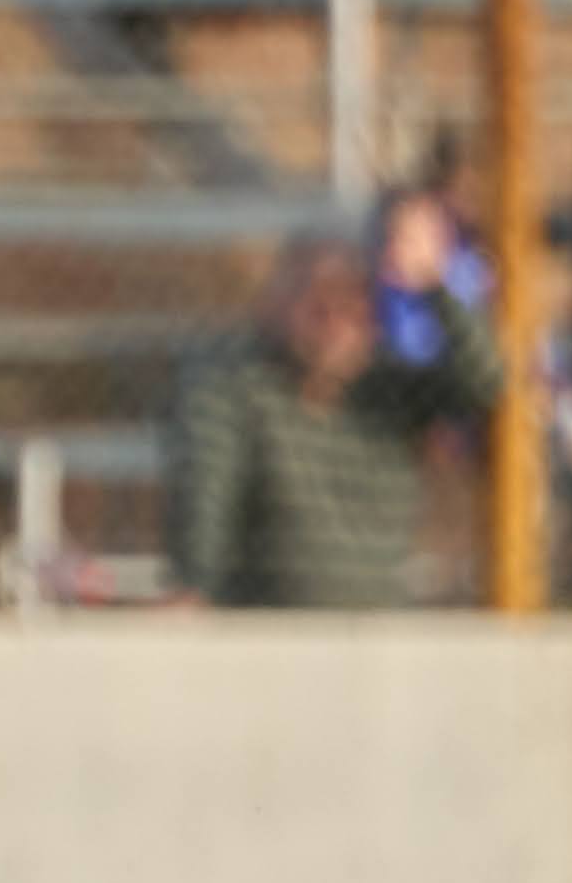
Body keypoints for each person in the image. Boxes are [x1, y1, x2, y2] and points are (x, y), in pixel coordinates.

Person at [163, 211, 501, 610]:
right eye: (317, 301)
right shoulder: (237, 385)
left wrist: (433, 285)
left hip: (378, 633)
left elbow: (486, 382)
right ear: (278, 303)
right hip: (269, 628)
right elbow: (207, 490)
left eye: (354, 301)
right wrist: (195, 585)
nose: (336, 320)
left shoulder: (392, 390)